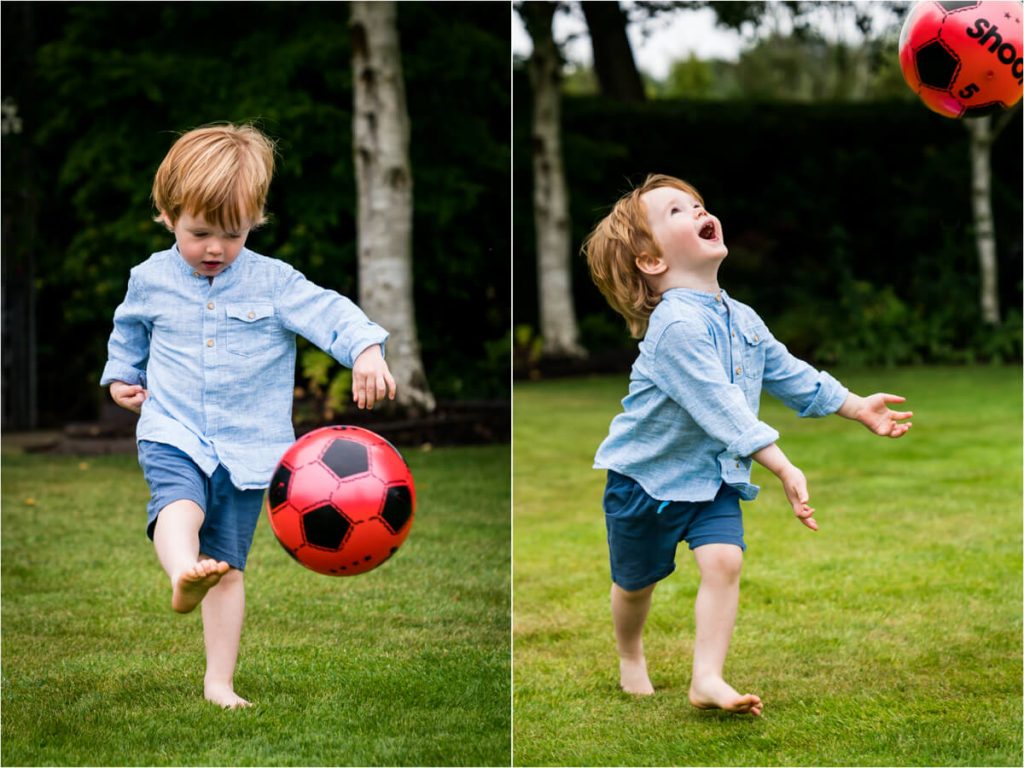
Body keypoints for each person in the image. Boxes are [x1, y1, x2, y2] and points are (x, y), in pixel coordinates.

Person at [582, 173, 912, 716]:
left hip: (711, 478)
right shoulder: (675, 328)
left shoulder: (743, 317)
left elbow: (788, 373)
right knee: (635, 585)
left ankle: (706, 677)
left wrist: (855, 405)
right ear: (651, 261)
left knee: (724, 562)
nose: (697, 211)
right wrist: (781, 465)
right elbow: (721, 407)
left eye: (698, 205)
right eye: (677, 212)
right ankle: (630, 653)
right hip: (646, 481)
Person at [101, 123, 396, 708]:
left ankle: (220, 682)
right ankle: (182, 571)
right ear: (166, 214)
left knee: (229, 568)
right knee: (177, 502)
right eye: (200, 233)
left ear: (255, 220)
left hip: (248, 449)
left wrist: (365, 348)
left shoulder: (275, 282)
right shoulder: (149, 279)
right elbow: (127, 334)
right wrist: (120, 380)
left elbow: (330, 312)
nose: (215, 248)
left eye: (231, 235)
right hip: (172, 427)